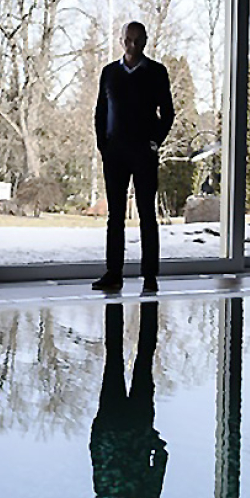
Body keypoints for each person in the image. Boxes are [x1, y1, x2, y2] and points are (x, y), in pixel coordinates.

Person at [93, 20, 175, 293]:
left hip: (143, 153)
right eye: (128, 39)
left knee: (146, 214)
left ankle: (149, 275)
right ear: (121, 41)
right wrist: (103, 146)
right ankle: (113, 272)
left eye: (138, 40)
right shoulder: (108, 73)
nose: (132, 45)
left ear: (145, 41)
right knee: (115, 215)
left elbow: (168, 113)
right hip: (114, 153)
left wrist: (154, 142)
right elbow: (100, 111)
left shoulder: (157, 72)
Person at [90, 301, 166, 498]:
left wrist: (151, 439)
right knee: (123, 359)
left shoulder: (112, 494)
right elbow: (95, 454)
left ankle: (135, 306)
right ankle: (132, 305)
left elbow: (97, 456)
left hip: (128, 424)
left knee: (134, 359)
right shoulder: (106, 494)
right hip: (124, 424)